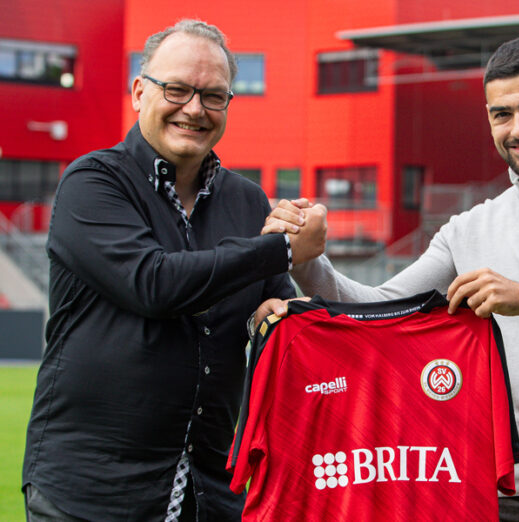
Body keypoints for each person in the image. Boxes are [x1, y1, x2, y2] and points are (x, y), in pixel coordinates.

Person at [260, 36, 519, 521]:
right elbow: (378, 310)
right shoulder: (469, 227)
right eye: (502, 115)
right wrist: (307, 261)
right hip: (492, 489)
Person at [22, 19, 325, 522]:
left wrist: (280, 314)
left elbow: (275, 312)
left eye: (213, 96)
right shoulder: (92, 182)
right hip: (93, 491)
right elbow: (154, 283)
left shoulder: (247, 199)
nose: (194, 109)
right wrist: (283, 251)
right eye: (178, 89)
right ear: (140, 92)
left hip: (212, 488)